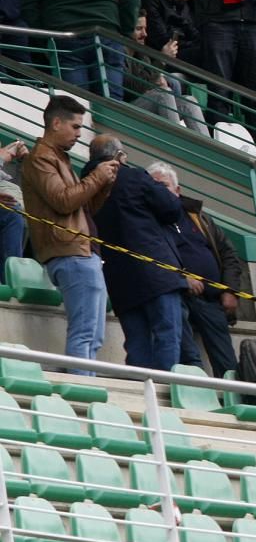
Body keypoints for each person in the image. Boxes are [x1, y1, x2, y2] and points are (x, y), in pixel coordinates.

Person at [22, 97, 118, 374]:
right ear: (56, 123)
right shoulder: (41, 158)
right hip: (70, 253)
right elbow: (64, 201)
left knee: (94, 336)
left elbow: (83, 208)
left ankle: (86, 391)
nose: (79, 134)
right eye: (75, 127)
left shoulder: (58, 157)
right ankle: (83, 395)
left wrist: (103, 186)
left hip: (81, 251)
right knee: (85, 334)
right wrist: (97, 177)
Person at [83, 136, 188, 371]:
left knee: (137, 343)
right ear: (120, 157)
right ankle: (165, 394)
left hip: (118, 276)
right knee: (167, 335)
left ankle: (142, 395)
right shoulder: (133, 176)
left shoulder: (85, 183)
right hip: (156, 271)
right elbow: (172, 208)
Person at [146, 161, 240, 378]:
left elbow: (229, 255)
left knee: (228, 364)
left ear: (177, 191)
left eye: (165, 186)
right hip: (178, 297)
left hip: (212, 300)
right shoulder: (148, 221)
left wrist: (230, 289)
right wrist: (182, 278)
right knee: (189, 360)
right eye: (154, 187)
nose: (160, 192)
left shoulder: (199, 218)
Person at [127, 10, 207, 135]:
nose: (145, 34)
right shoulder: (118, 53)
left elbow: (148, 80)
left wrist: (159, 81)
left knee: (189, 101)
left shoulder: (142, 53)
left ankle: (206, 150)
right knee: (163, 94)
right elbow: (132, 89)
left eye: (145, 29)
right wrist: (161, 60)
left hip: (145, 102)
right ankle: (178, 145)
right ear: (127, 30)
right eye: (139, 29)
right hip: (125, 109)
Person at [142, 0, 201, 65]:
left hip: (185, 48)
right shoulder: (152, 0)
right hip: (164, 53)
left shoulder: (185, 2)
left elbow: (194, 32)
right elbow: (160, 38)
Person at [0, 140, 28, 281]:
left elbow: (34, 200)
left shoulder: (11, 186)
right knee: (12, 212)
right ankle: (13, 279)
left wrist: (26, 162)